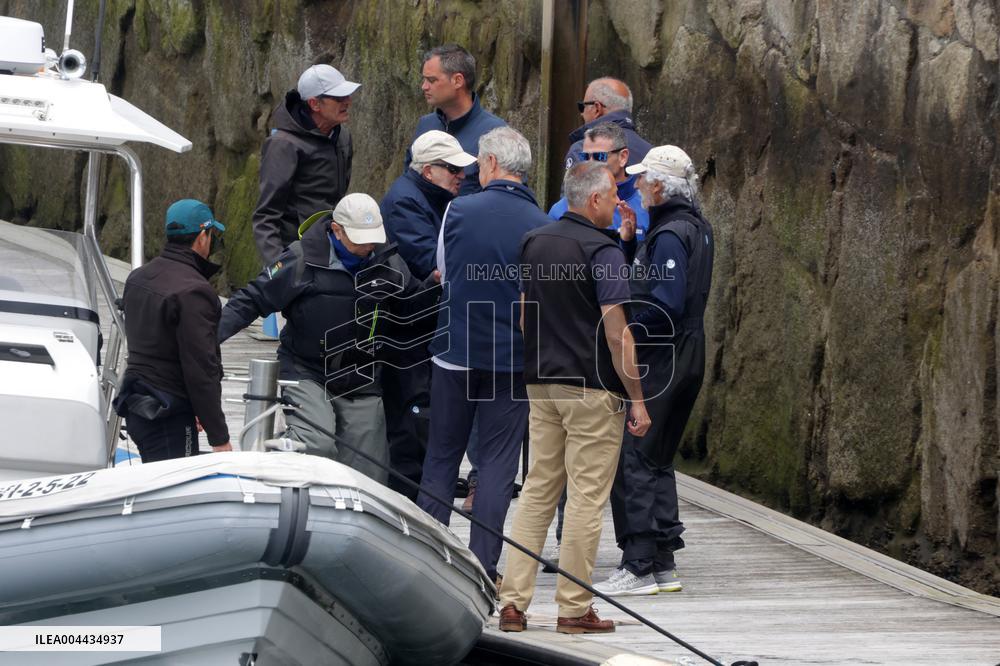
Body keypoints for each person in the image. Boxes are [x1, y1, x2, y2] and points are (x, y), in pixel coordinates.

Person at [498, 162, 651, 635]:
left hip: (540, 382)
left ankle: (512, 604)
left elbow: (525, 316)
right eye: (610, 196)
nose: (615, 202)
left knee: (539, 490)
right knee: (586, 498)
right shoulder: (602, 252)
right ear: (594, 201)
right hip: (590, 389)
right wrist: (639, 398)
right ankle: (573, 608)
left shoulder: (535, 242)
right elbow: (617, 333)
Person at [219, 194, 438, 484]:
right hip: (307, 370)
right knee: (317, 442)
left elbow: (408, 310)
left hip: (362, 375)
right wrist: (209, 339)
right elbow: (252, 299)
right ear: (336, 230)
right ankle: (276, 468)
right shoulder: (299, 259)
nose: (368, 246)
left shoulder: (391, 264)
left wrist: (433, 288)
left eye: (373, 237)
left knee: (370, 468)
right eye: (360, 238)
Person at [416, 127, 548, 584]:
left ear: (491, 164)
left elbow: (444, 273)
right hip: (513, 361)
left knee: (441, 457)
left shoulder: (458, 210)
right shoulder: (543, 223)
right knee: (496, 465)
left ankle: (428, 560)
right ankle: (483, 567)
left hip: (455, 353)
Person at [594, 146, 714, 597]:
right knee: (658, 456)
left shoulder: (669, 235)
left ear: (661, 187)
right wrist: (628, 242)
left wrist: (625, 330)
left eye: (644, 180)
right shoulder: (696, 227)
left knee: (637, 456)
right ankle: (663, 563)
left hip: (665, 352)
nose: (638, 186)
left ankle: (639, 562)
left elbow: (666, 300)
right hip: (689, 351)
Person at [379, 130, 475, 499]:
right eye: (453, 169)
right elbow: (433, 267)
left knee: (423, 411)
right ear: (429, 170)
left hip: (424, 325)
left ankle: (425, 487)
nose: (461, 176)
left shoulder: (428, 196)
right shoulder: (406, 201)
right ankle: (411, 494)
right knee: (411, 414)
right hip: (409, 327)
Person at [115, 199, 232, 461]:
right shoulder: (194, 290)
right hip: (168, 413)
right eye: (211, 235)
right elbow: (201, 367)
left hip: (138, 405)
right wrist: (219, 436)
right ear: (203, 236)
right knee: (170, 494)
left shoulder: (138, 277)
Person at [253, 63, 361, 266]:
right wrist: (280, 266)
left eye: (347, 95)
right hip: (295, 255)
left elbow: (338, 196)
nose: (348, 101)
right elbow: (265, 216)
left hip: (331, 249)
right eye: (338, 98)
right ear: (314, 104)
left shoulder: (342, 136)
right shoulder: (283, 145)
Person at [405, 44, 507, 195]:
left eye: (431, 80)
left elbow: (505, 197)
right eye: (424, 79)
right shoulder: (426, 124)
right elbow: (408, 181)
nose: (424, 87)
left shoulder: (496, 133)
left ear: (458, 80)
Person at [564, 77, 651, 170]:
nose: (581, 113)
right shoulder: (652, 152)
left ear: (597, 108)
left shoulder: (583, 151)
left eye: (582, 107)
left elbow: (577, 184)